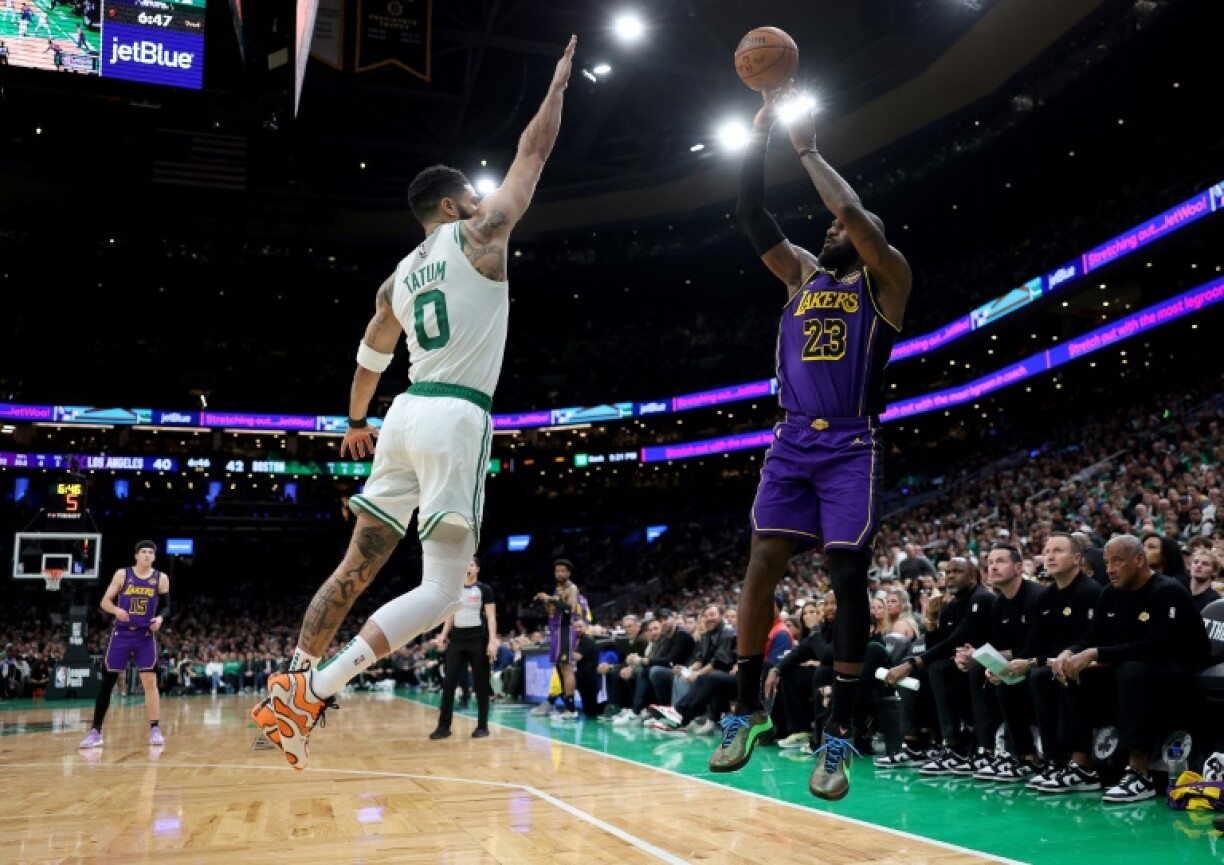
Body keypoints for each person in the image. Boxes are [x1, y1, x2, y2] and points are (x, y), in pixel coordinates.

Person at [251, 36, 577, 770]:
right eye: (470, 193)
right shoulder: (481, 234)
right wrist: (556, 89)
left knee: (353, 570)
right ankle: (314, 692)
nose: (479, 199)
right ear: (453, 202)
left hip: (399, 416)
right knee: (438, 592)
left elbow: (369, 353)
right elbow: (533, 156)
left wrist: (356, 422)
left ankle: (292, 677)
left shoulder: (397, 277)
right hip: (456, 415)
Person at [709, 78, 912, 803]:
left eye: (837, 231)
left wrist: (809, 149)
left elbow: (853, 212)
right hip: (791, 442)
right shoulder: (798, 272)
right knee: (761, 563)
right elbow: (749, 210)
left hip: (851, 444)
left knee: (848, 578)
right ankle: (745, 706)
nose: (826, 231)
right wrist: (760, 135)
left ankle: (840, 731)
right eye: (823, 229)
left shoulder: (886, 281)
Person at [78, 541, 171, 749]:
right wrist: (116, 610)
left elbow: (167, 607)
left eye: (151, 552)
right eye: (143, 552)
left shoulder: (161, 578)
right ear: (136, 555)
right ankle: (95, 731)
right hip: (121, 634)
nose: (147, 555)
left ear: (154, 557)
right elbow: (104, 601)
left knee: (149, 680)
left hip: (145, 635)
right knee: (108, 681)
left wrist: (160, 619)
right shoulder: (123, 574)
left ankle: (155, 728)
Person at [430, 556, 498, 739]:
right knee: (449, 683)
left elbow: (491, 617)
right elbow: (449, 616)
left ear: (478, 569)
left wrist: (492, 641)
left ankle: (482, 726)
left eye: (472, 565)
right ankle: (443, 727)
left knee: (481, 684)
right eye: (465, 565)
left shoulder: (485, 589)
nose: (468, 568)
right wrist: (443, 636)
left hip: (478, 640)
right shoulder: (454, 590)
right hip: (457, 641)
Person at [533, 558, 590, 720]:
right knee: (559, 668)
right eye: (557, 571)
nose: (559, 573)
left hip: (566, 630)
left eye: (563, 571)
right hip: (555, 630)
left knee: (566, 668)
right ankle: (567, 707)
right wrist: (543, 601)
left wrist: (550, 598)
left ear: (569, 573)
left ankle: (571, 709)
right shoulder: (558, 589)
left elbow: (568, 609)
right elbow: (553, 610)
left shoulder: (571, 588)